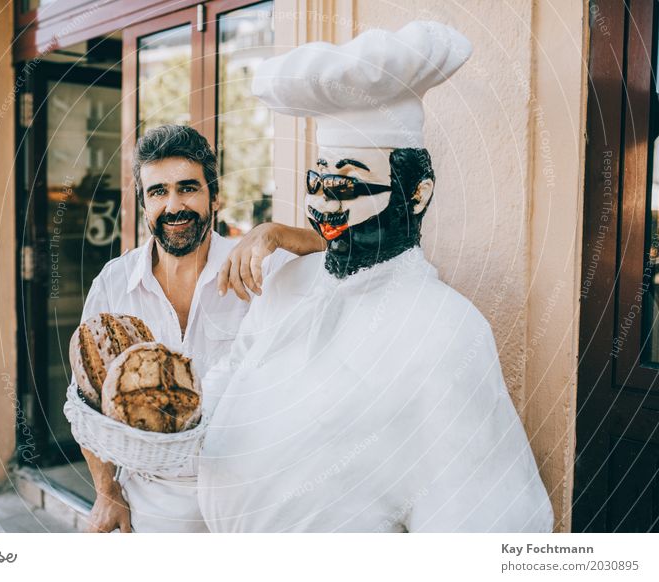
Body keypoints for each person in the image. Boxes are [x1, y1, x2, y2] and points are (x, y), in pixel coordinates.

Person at [198, 21, 555, 532]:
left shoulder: (446, 331)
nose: (323, 208)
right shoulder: (288, 283)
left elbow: (481, 525)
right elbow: (231, 373)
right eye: (316, 184)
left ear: (417, 195)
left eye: (346, 188)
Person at [76, 124, 324, 533]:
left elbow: (346, 256)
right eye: (158, 192)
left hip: (252, 501)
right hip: (151, 507)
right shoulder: (114, 283)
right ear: (144, 206)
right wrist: (106, 491)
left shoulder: (261, 265)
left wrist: (274, 232)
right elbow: (86, 402)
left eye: (188, 188)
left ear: (216, 199)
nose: (174, 205)